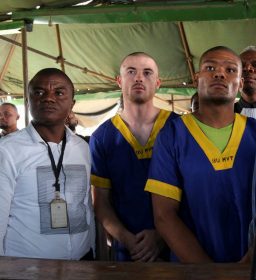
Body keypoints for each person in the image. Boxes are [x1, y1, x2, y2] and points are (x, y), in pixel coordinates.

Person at [145, 46, 256, 263]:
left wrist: (253, 259)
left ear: (240, 83)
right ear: (197, 78)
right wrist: (210, 272)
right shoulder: (172, 135)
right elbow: (164, 216)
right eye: (210, 67)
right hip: (194, 269)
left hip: (254, 265)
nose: (220, 74)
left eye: (231, 70)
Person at [90, 52, 177, 262]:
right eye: (131, 72)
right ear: (119, 81)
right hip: (129, 251)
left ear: (157, 83)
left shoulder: (179, 127)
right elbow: (101, 201)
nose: (139, 78)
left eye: (147, 73)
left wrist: (163, 234)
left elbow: (193, 192)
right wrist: (126, 239)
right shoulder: (102, 136)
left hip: (177, 244)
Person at [0, 68, 95, 260]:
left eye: (59, 93)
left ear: (72, 103)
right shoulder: (7, 150)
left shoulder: (82, 149)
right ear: (28, 101)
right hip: (27, 268)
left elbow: (86, 206)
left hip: (82, 263)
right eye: (39, 92)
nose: (48, 98)